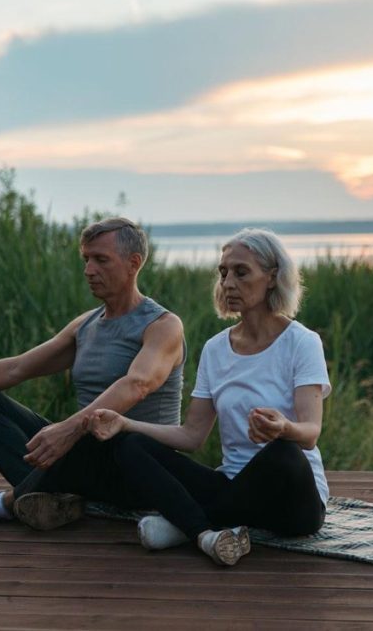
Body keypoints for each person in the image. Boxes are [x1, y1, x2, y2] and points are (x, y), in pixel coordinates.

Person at [0, 217, 186, 527]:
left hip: (141, 468)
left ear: (133, 263)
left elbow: (137, 384)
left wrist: (69, 429)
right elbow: (16, 367)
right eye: (86, 259)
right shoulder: (85, 326)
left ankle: (2, 504)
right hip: (89, 461)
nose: (89, 270)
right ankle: (48, 501)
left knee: (98, 433)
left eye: (101, 260)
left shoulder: (162, 326)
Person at [86, 227, 330, 566]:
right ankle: (206, 532)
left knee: (285, 454)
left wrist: (283, 428)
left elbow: (310, 434)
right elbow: (191, 436)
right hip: (231, 487)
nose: (228, 282)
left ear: (272, 277)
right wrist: (125, 422)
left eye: (241, 272)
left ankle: (188, 523)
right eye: (223, 272)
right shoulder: (216, 349)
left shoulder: (302, 343)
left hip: (293, 502)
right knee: (130, 444)